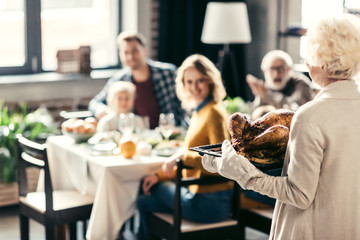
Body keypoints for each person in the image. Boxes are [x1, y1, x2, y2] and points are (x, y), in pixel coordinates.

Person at [202, 14, 360, 239]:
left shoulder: (310, 115)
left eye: (310, 55)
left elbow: (299, 194)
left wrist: (244, 175)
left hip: (310, 231)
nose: (306, 63)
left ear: (323, 60)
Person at [136, 54, 233, 240]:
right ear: (183, 84)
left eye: (200, 81)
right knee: (144, 202)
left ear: (210, 81)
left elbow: (222, 163)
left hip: (209, 202)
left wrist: (181, 157)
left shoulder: (214, 113)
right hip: (199, 196)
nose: (194, 87)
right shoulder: (200, 112)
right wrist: (158, 175)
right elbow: (194, 156)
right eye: (189, 82)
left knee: (145, 185)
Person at [89, 31, 184, 128]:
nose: (131, 57)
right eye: (126, 52)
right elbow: (95, 103)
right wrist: (101, 109)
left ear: (145, 51)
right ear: (121, 55)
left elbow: (186, 102)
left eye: (135, 51)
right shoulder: (119, 80)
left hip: (169, 134)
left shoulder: (168, 73)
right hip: (137, 136)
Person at [247, 50, 315, 111]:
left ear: (289, 69)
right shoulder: (266, 87)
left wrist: (267, 95)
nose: (276, 73)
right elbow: (255, 112)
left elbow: (294, 109)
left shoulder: (301, 83)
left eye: (281, 68)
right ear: (264, 72)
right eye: (272, 69)